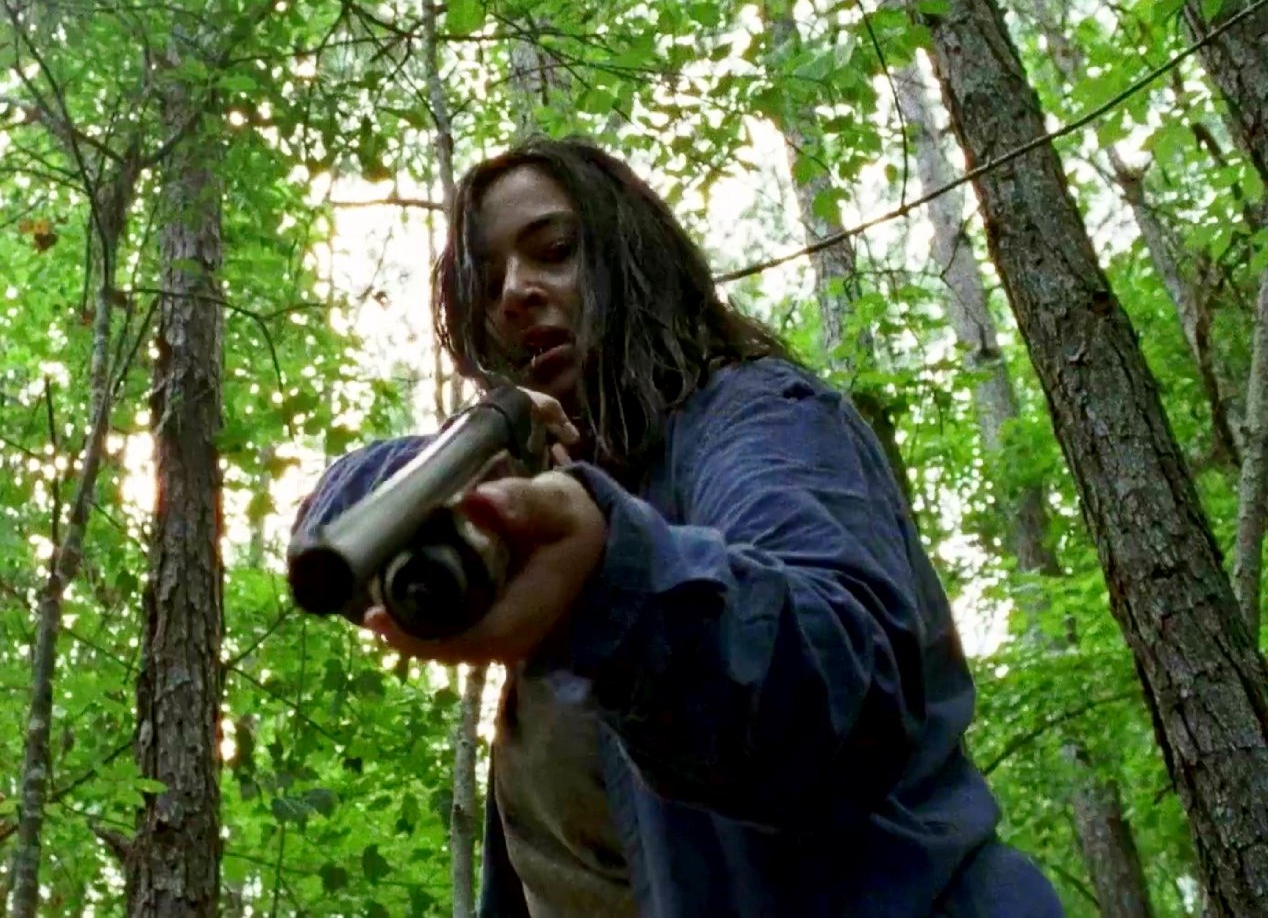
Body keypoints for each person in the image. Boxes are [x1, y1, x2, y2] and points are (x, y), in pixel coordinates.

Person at [290, 136, 1065, 917]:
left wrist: (613, 581)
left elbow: (842, 685)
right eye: (488, 284)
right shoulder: (534, 509)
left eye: (554, 251)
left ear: (631, 259)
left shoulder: (760, 416)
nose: (516, 294)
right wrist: (474, 472)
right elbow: (330, 523)